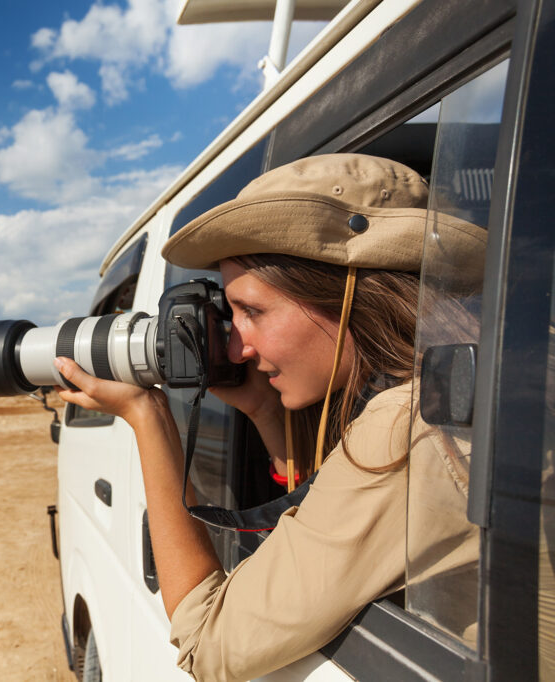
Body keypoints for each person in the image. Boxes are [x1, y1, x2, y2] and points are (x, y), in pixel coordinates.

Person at [54, 154, 487, 681]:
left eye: (252, 313)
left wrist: (148, 415)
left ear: (346, 293)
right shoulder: (462, 386)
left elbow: (207, 643)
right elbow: (330, 504)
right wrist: (262, 407)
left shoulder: (411, 425)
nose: (236, 349)